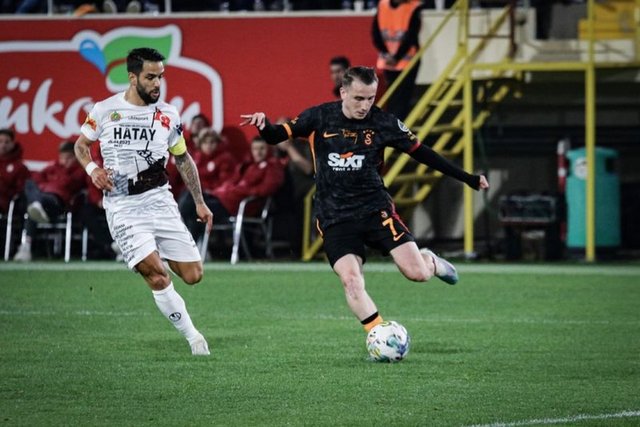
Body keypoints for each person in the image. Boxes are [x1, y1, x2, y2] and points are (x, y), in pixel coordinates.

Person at [241, 66, 488, 337]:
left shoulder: (383, 123)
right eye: (359, 98)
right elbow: (277, 135)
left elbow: (423, 153)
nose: (365, 106)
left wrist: (468, 178)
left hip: (375, 210)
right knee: (351, 280)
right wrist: (264, 126)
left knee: (417, 273)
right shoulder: (319, 116)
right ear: (343, 92)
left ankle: (430, 261)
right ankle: (379, 335)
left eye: (370, 98)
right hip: (334, 216)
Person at [73, 47, 214, 356]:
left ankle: (151, 255)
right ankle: (194, 338)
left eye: (160, 77)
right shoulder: (105, 110)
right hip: (123, 206)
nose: (157, 84)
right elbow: (81, 146)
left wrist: (200, 202)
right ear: (132, 77)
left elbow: (182, 158)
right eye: (150, 77)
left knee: (193, 275)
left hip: (160, 201)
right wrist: (93, 170)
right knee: (157, 274)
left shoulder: (169, 114)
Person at [184, 135, 284, 257]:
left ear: (268, 150)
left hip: (240, 206)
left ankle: (189, 249)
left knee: (192, 208)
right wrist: (221, 190)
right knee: (191, 199)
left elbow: (267, 188)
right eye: (255, 149)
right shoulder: (248, 165)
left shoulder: (273, 166)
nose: (258, 152)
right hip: (226, 200)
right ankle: (191, 248)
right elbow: (232, 181)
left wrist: (243, 191)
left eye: (262, 148)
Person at [13, 140, 86, 262]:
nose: (65, 161)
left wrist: (49, 184)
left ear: (76, 157)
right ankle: (37, 204)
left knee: (34, 207)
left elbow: (68, 184)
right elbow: (36, 177)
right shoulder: (52, 167)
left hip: (58, 202)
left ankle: (26, 246)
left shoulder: (80, 171)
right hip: (42, 196)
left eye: (69, 158)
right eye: (62, 157)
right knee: (29, 184)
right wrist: (43, 186)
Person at [178, 127, 235, 244]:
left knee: (190, 206)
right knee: (192, 211)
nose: (209, 146)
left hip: (217, 200)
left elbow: (225, 184)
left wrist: (205, 189)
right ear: (200, 144)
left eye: (212, 142)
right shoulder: (197, 158)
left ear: (218, 143)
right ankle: (193, 246)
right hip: (200, 199)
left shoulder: (225, 159)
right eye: (205, 142)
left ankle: (189, 244)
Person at [372, 0, 424, 120]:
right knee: (392, 99)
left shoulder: (413, 7)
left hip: (407, 63)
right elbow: (376, 33)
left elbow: (411, 37)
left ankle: (398, 127)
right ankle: (393, 126)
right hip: (389, 64)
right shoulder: (382, 5)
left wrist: (395, 57)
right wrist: (387, 54)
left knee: (402, 100)